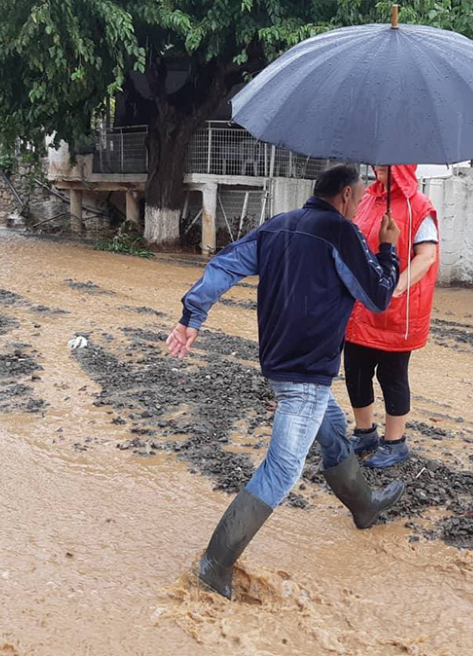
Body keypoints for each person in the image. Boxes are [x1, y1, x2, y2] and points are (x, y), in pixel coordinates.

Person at [166, 164, 407, 600]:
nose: (361, 203)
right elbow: (378, 297)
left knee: (333, 433)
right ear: (347, 196)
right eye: (360, 195)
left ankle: (364, 507)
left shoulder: (277, 227)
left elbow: (224, 266)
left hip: (279, 365)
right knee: (280, 470)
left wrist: (192, 317)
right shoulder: (342, 233)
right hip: (306, 375)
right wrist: (388, 250)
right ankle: (213, 566)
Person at [344, 165, 439, 468]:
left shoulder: (419, 206)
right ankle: (364, 432)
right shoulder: (368, 199)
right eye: (379, 160)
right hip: (362, 303)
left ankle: (395, 442)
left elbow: (426, 256)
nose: (381, 166)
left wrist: (396, 287)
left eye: (390, 161)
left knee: (392, 375)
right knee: (356, 370)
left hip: (398, 308)